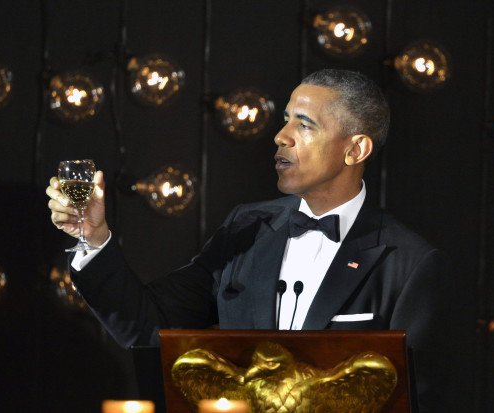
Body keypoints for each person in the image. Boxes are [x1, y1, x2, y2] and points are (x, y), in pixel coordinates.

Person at [46, 69, 450, 411]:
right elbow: (150, 327)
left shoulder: (408, 261)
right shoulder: (247, 227)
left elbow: (414, 398)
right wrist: (92, 238)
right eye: (286, 119)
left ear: (355, 149)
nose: (281, 136)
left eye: (304, 125)